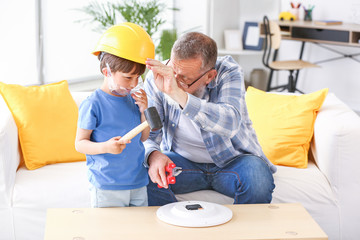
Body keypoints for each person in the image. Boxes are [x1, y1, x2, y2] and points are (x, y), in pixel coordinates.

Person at [144, 32, 276, 206]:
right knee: (141, 173)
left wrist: (178, 95)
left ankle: (241, 233)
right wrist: (154, 155)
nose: (174, 82)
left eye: (184, 79)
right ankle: (178, 227)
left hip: (233, 162)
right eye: (174, 72)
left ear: (209, 76)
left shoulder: (228, 71)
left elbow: (230, 122)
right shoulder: (159, 77)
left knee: (258, 178)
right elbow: (150, 134)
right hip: (183, 163)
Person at [75, 23, 155, 208]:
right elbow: (80, 144)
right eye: (128, 77)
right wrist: (106, 147)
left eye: (138, 77)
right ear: (107, 72)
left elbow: (142, 138)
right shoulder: (93, 103)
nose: (134, 83)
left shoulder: (133, 99)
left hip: (137, 182)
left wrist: (144, 111)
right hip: (106, 186)